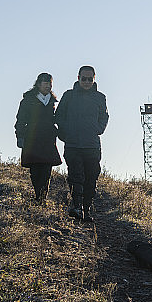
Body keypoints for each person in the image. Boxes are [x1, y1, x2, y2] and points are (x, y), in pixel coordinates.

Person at [54, 65, 109, 222]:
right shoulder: (69, 96)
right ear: (78, 78)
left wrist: (98, 129)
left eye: (89, 79)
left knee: (91, 178)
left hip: (92, 145)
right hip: (73, 144)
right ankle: (76, 207)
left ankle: (87, 209)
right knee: (75, 177)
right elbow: (58, 116)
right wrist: (66, 133)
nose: (86, 81)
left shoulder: (100, 97)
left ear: (94, 79)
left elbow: (104, 117)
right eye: (83, 78)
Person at [14, 72, 62, 204]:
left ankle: (42, 198)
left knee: (47, 169)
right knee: (35, 170)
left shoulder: (52, 101)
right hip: (32, 138)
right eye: (46, 83)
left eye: (50, 84)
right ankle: (38, 195)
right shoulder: (28, 100)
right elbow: (20, 120)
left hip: (48, 139)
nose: (48, 86)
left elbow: (56, 119)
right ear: (38, 84)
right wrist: (20, 136)